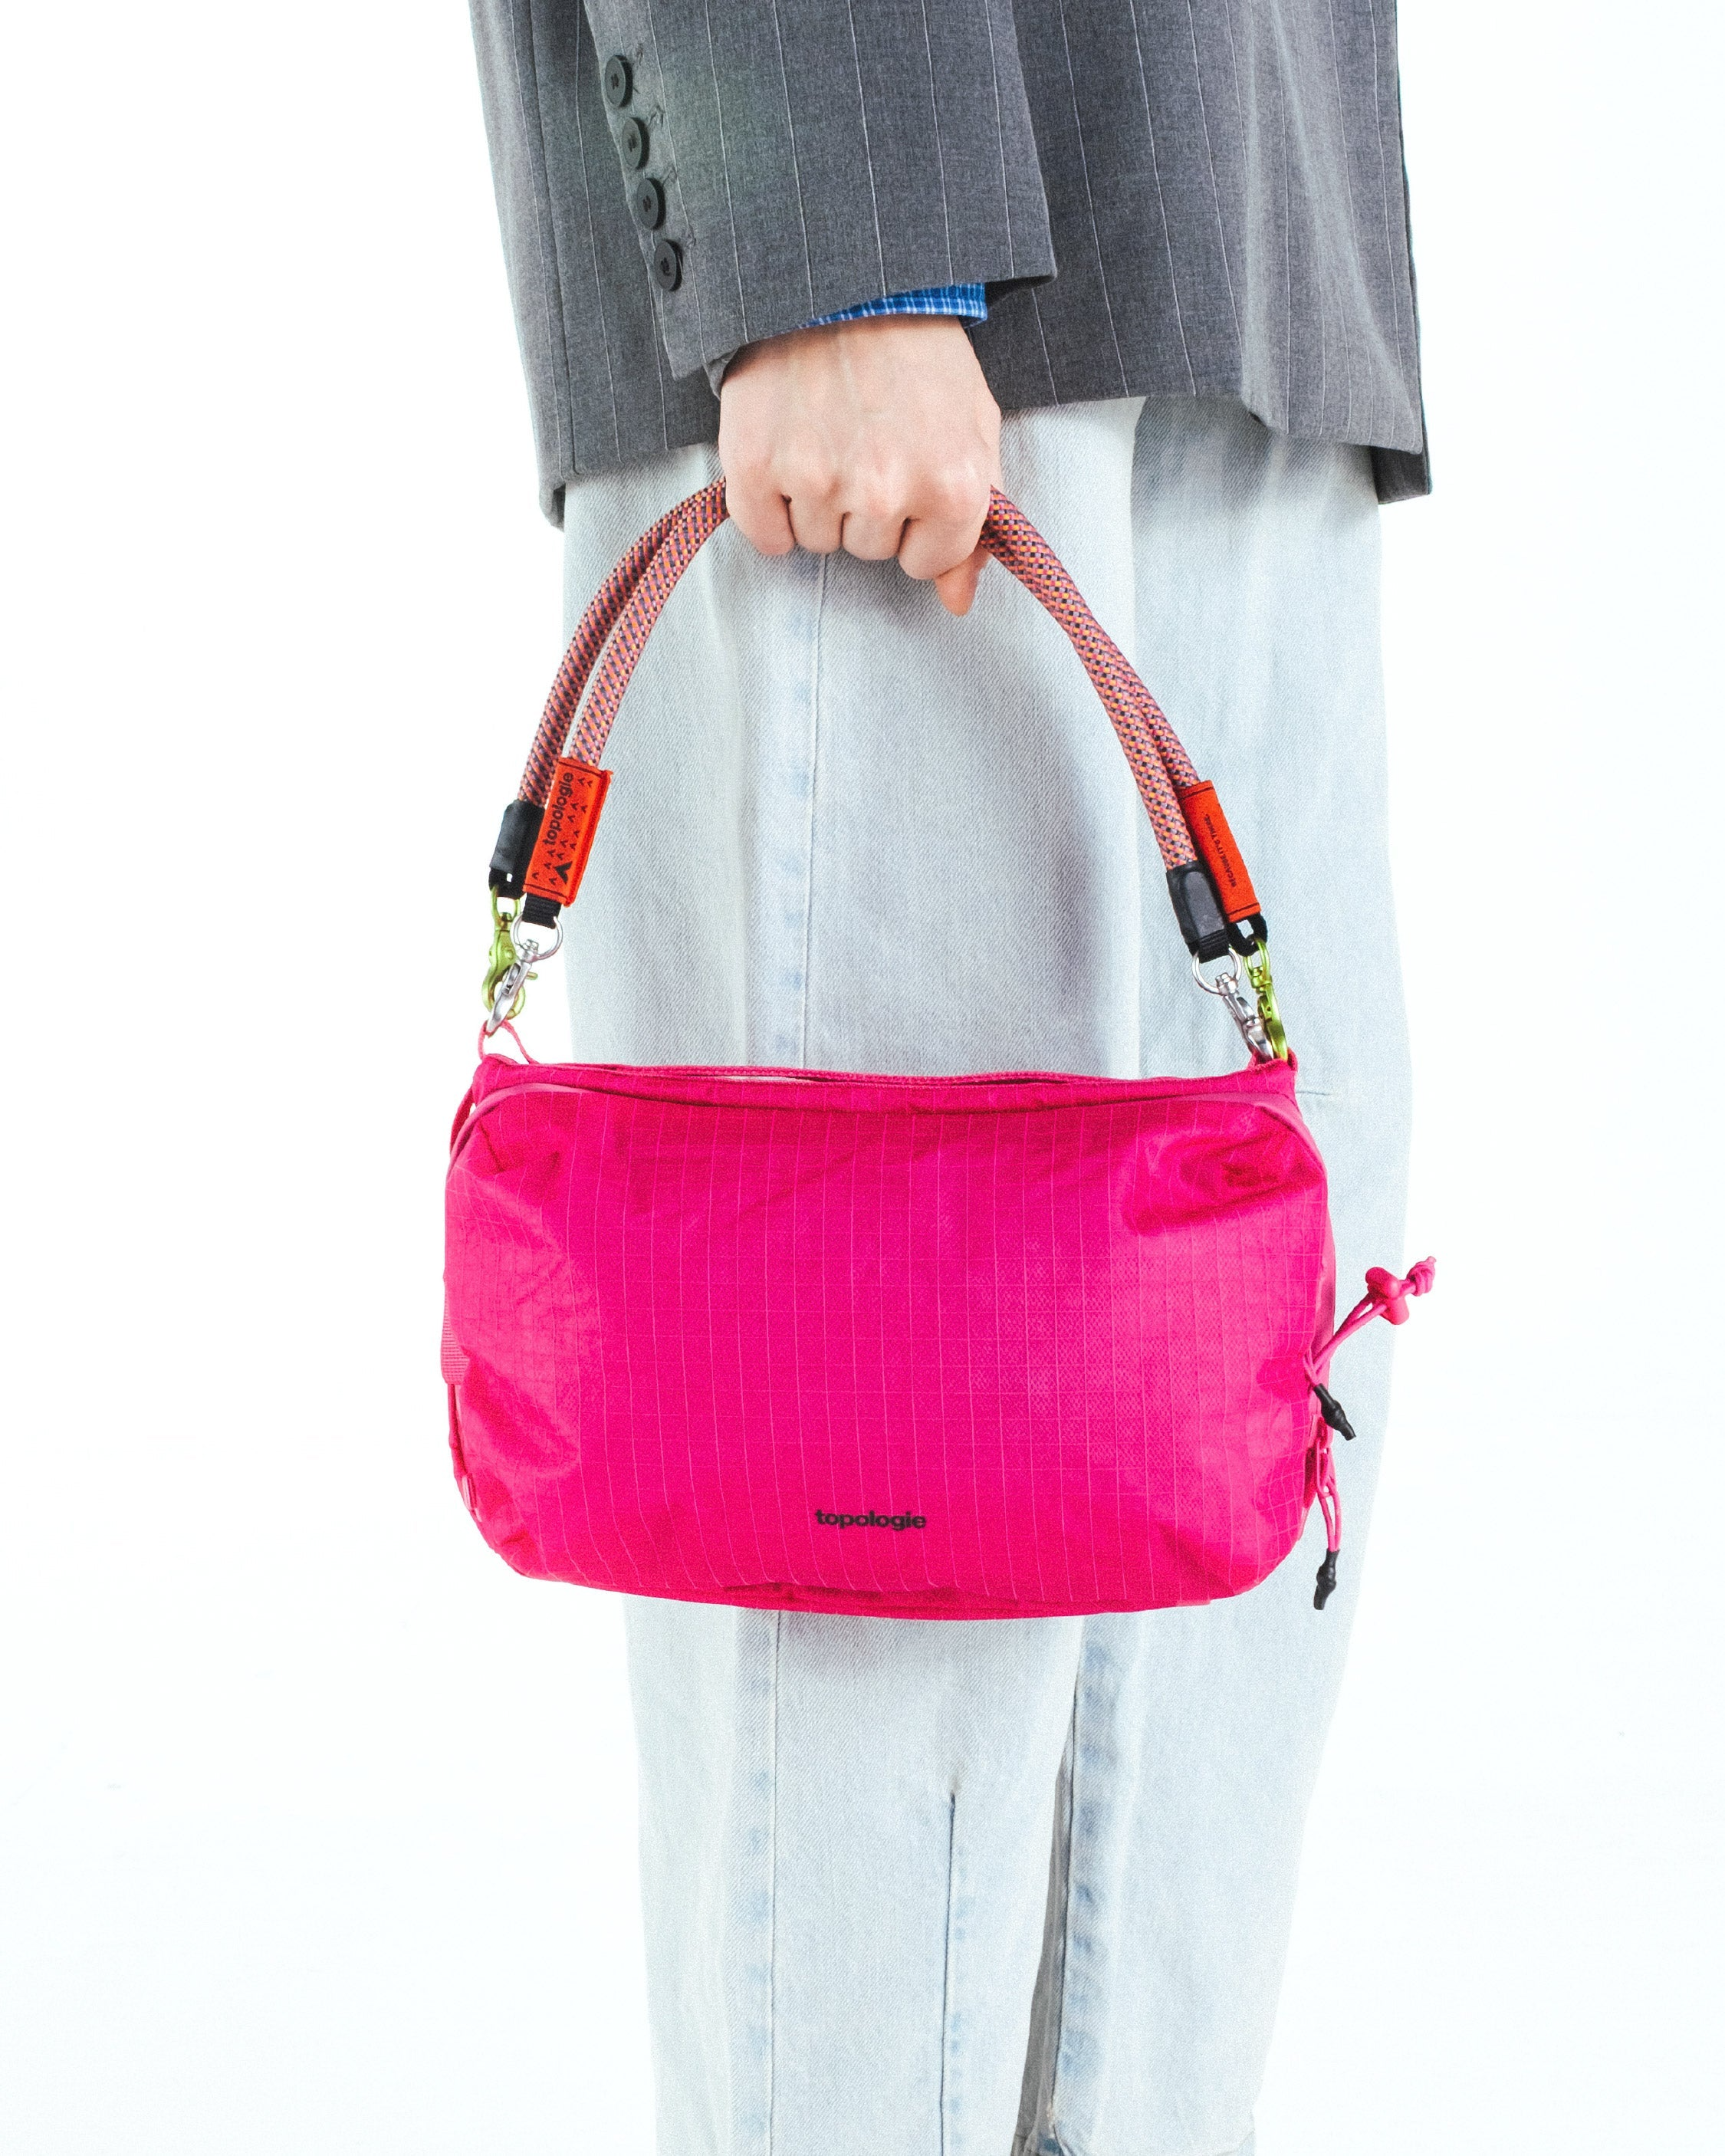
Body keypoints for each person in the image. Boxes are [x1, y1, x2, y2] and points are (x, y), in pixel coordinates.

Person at [468, 6, 1423, 2153]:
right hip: (905, 257)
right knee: (866, 1564)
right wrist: (831, 222)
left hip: (1250, 241)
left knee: (1200, 1527)